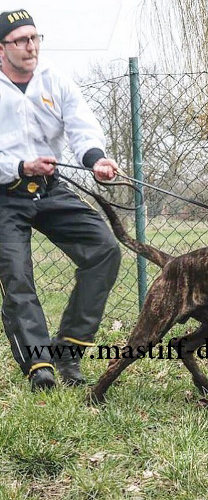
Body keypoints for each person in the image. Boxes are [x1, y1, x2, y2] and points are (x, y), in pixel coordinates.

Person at [0, 9, 122, 390]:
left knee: (104, 250)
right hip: (4, 196)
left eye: (35, 37)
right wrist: (21, 165)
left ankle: (68, 353)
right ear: (2, 48)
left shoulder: (56, 81)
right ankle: (40, 369)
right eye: (20, 40)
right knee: (17, 277)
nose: (31, 46)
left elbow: (81, 126)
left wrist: (96, 160)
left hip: (50, 190)